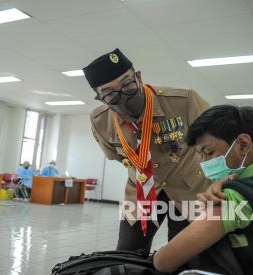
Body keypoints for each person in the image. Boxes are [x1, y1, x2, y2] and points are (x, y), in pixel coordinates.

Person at [153, 105, 253, 275]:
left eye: (208, 152)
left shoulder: (234, 198)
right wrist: (226, 182)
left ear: (244, 145)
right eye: (200, 155)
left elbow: (163, 261)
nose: (203, 163)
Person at [83, 48, 210, 253]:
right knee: (127, 253)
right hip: (140, 193)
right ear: (99, 97)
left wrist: (221, 180)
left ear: (139, 77)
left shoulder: (183, 101)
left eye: (127, 83)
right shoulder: (100, 120)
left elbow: (219, 144)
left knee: (185, 254)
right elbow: (114, 155)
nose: (121, 94)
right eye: (109, 93)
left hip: (191, 190)